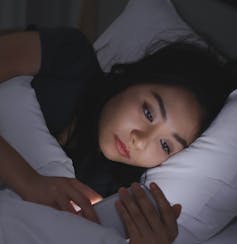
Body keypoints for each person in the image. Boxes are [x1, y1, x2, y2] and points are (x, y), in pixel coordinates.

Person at [0, 27, 234, 243]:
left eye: (165, 145)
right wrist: (28, 181)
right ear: (134, 80)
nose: (140, 140)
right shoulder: (69, 58)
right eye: (148, 112)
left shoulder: (114, 197)